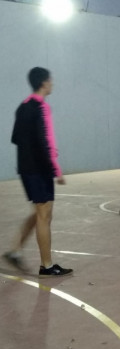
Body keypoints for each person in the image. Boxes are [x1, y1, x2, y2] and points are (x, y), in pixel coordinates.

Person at [3, 67, 73, 277]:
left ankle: (15, 251)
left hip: (26, 167)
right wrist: (56, 169)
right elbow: (45, 141)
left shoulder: (23, 107)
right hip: (39, 168)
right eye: (50, 80)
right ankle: (47, 266)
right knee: (44, 214)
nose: (52, 83)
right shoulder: (42, 108)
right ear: (43, 83)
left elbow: (15, 138)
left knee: (40, 213)